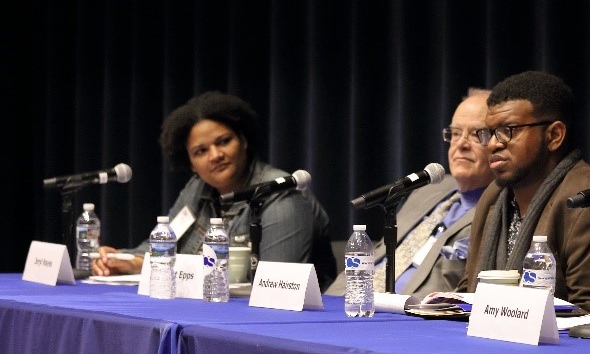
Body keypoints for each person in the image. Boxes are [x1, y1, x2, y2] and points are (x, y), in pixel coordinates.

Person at [459, 70, 590, 326]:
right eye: (489, 132)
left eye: (507, 130)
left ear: (554, 135)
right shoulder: (493, 198)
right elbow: (468, 289)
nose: (492, 144)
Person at [92, 91, 337, 289]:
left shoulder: (281, 194)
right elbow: (164, 242)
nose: (215, 155)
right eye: (201, 151)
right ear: (191, 164)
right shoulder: (197, 188)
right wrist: (125, 260)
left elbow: (276, 287)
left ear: (243, 140)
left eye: (223, 141)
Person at [368, 88, 494, 296]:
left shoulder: (502, 209)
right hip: (356, 299)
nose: (461, 144)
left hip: (409, 311)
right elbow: (377, 256)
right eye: (455, 133)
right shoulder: (428, 189)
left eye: (476, 134)